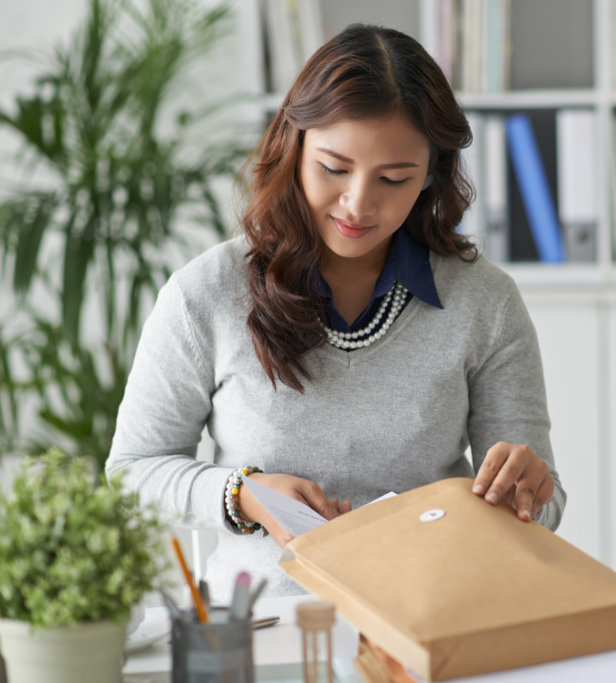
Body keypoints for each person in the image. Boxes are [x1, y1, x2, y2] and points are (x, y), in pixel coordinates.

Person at [106, 23, 565, 600]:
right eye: (334, 168)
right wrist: (242, 494)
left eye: (393, 179)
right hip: (263, 622)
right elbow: (133, 471)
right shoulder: (205, 294)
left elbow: (544, 508)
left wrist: (528, 490)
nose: (358, 204)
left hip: (430, 619)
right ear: (294, 148)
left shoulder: (485, 302)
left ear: (431, 175)